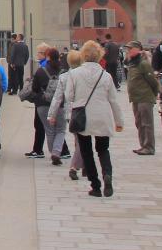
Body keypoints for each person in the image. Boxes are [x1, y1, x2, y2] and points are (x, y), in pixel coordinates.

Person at [48, 39, 127, 197]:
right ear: (99, 56)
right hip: (103, 116)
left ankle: (95, 185)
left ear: (83, 55)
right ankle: (107, 174)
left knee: (86, 151)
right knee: (103, 149)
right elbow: (113, 100)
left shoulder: (74, 74)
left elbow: (69, 95)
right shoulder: (106, 76)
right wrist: (119, 122)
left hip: (83, 116)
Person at [124, 41, 158, 155]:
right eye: (128, 49)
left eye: (130, 49)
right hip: (136, 98)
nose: (128, 51)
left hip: (144, 97)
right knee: (139, 123)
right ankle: (143, 145)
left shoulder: (143, 64)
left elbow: (153, 81)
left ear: (138, 49)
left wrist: (154, 94)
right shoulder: (132, 63)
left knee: (147, 123)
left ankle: (149, 147)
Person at [22, 42, 53, 158]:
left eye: (38, 52)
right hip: (48, 98)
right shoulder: (47, 64)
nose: (37, 55)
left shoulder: (43, 66)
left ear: (44, 54)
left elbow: (38, 84)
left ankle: (38, 150)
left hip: (42, 99)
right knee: (47, 125)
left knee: (41, 124)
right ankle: (61, 150)